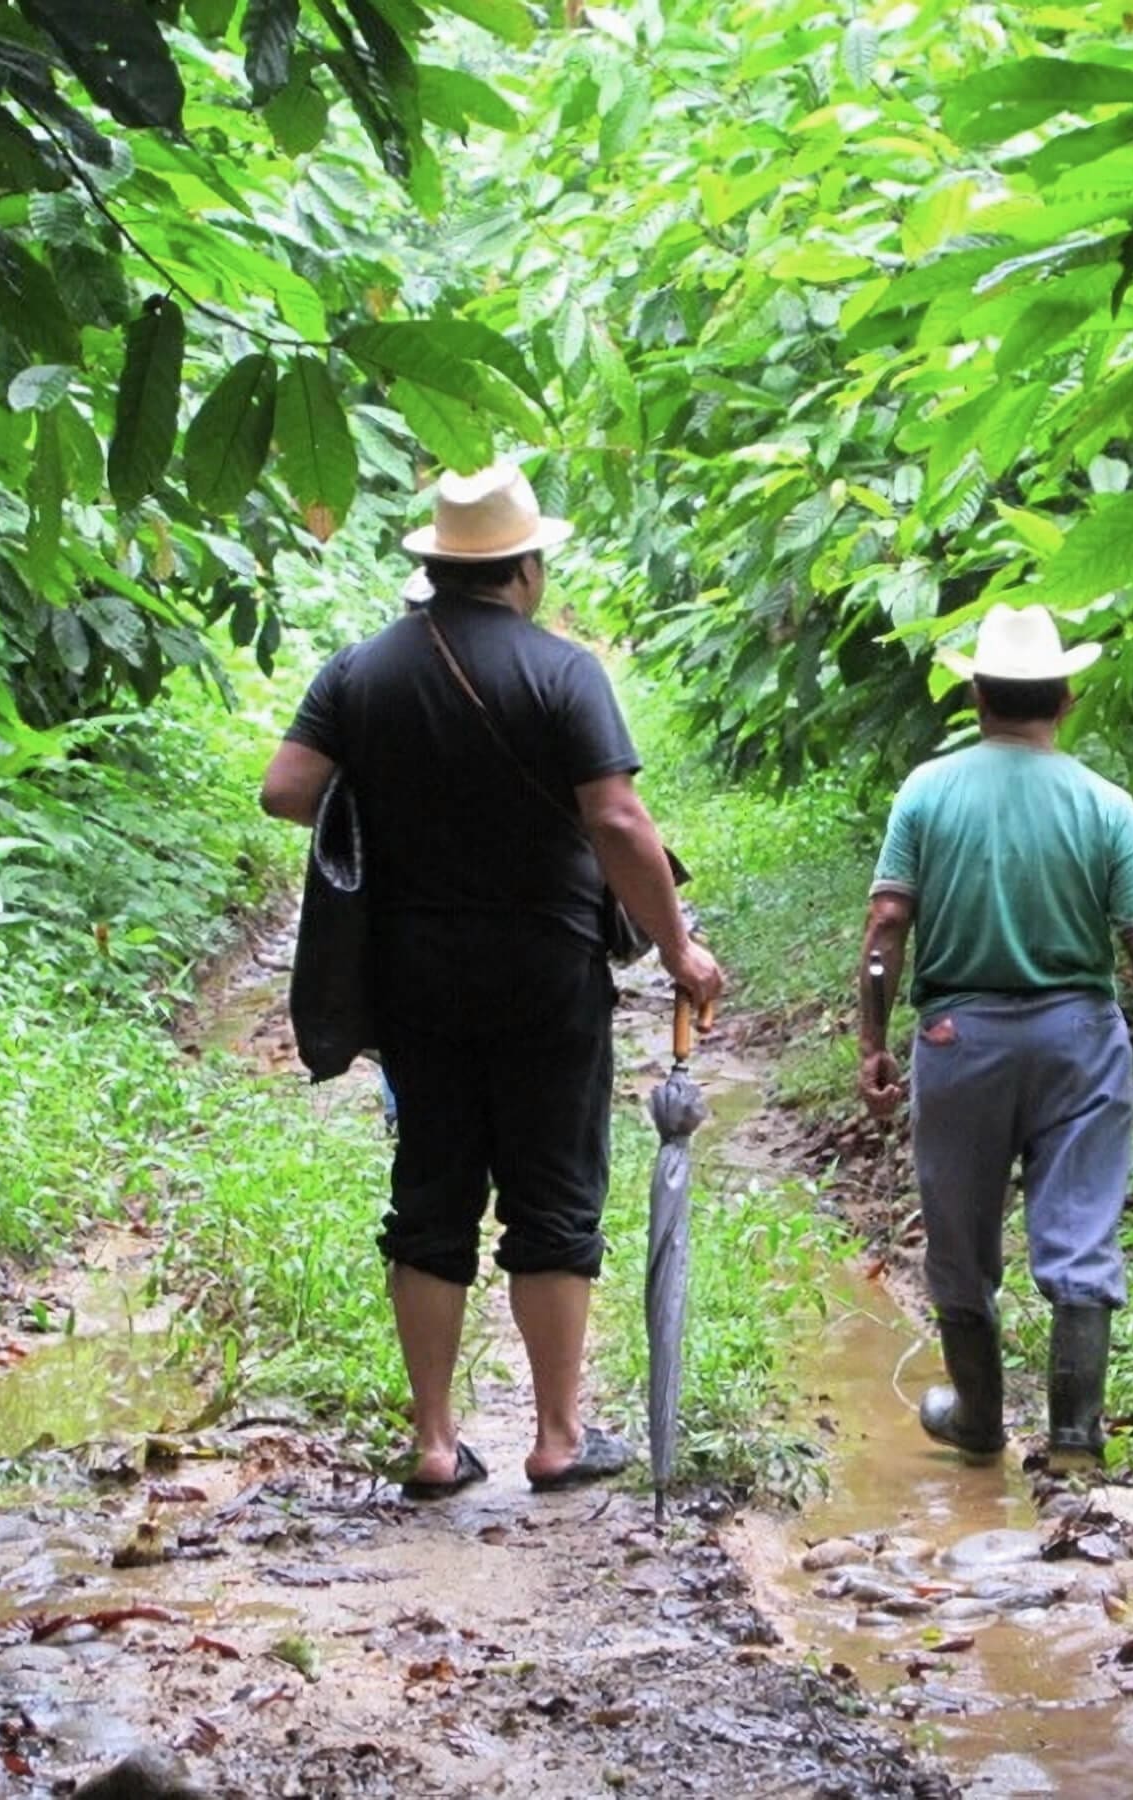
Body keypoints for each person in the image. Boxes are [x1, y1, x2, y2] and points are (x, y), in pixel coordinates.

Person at [260, 461, 723, 1498]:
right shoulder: (563, 674)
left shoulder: (359, 671)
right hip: (545, 970)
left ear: (437, 565)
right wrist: (682, 948)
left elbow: (286, 790)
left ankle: (434, 1442)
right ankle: (558, 1437)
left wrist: (398, 802)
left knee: (429, 1194)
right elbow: (614, 819)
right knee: (553, 1194)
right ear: (527, 568)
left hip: (413, 973)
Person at [857, 603, 1133, 1474]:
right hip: (1079, 1039)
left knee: (961, 1238)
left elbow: (888, 924)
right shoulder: (1105, 804)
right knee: (1080, 1232)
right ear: (1066, 698)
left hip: (956, 1037)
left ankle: (977, 1416)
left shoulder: (927, 792)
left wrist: (872, 1039)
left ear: (977, 694)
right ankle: (1076, 1437)